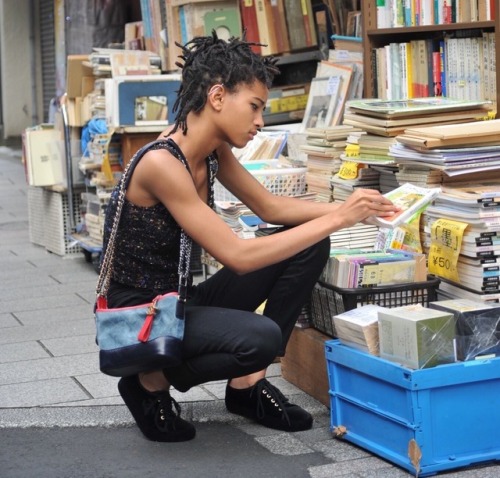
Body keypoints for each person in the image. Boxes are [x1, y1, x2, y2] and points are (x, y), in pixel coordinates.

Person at [100, 31, 399, 443]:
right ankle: (148, 381)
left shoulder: (211, 149)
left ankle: (246, 386)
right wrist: (338, 219)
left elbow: (271, 209)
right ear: (218, 96)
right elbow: (237, 255)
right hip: (143, 318)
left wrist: (352, 208)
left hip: (179, 303)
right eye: (255, 107)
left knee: (310, 242)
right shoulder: (161, 164)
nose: (261, 121)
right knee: (261, 337)